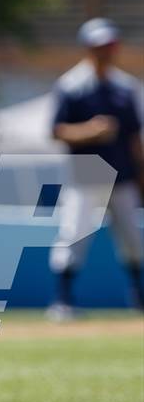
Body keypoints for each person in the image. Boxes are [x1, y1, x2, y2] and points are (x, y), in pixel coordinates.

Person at [48, 18, 144, 320]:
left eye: (111, 45)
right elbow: (57, 130)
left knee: (132, 239)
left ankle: (138, 297)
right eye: (101, 45)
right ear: (88, 47)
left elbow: (134, 138)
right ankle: (62, 300)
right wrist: (90, 131)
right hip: (85, 174)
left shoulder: (126, 87)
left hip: (122, 174)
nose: (107, 50)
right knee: (74, 234)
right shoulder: (72, 85)